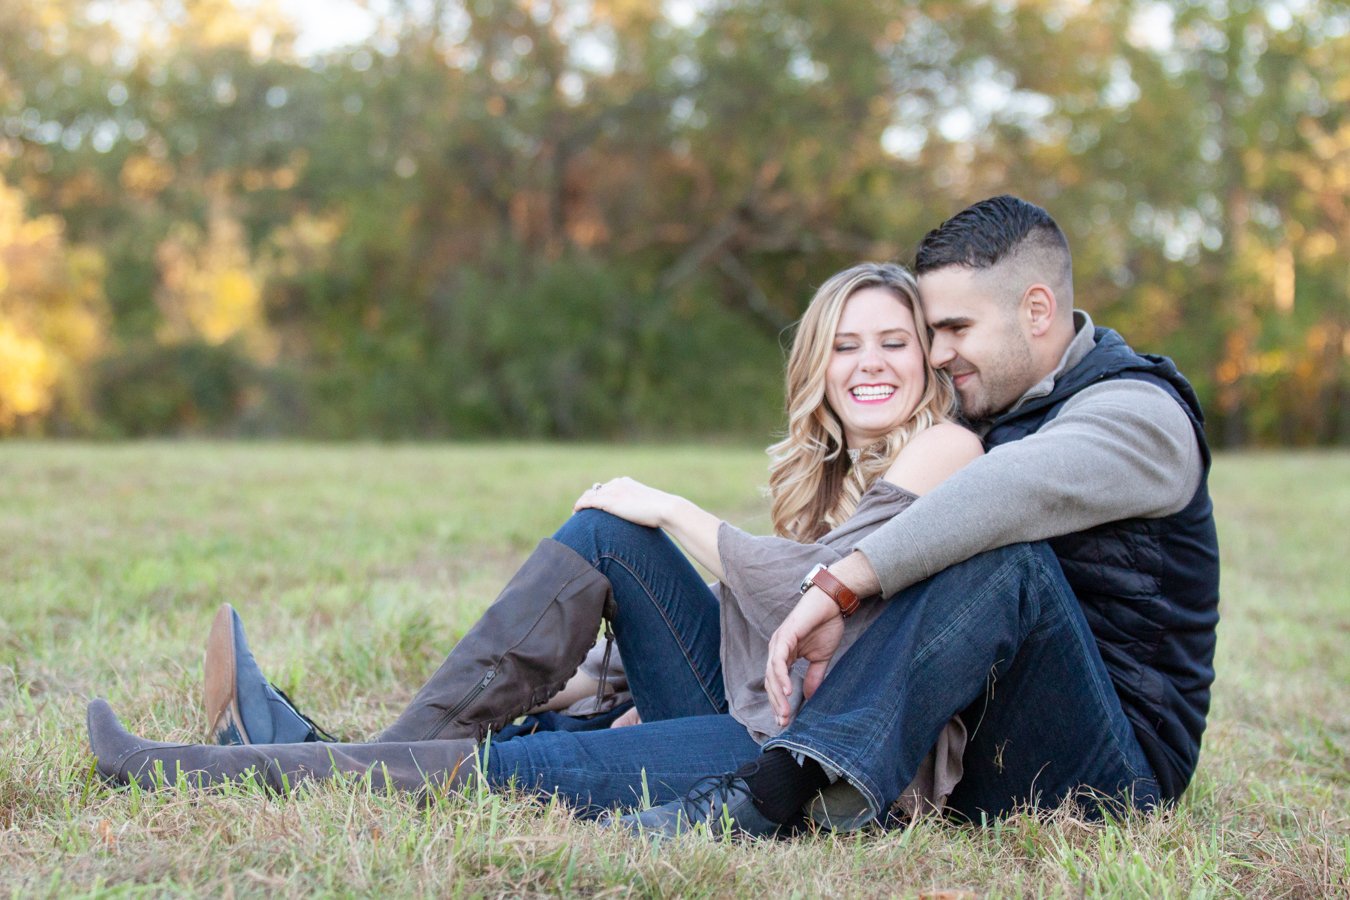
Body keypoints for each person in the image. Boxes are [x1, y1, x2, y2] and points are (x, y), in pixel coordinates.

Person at [86, 262, 986, 827]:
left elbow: (809, 588)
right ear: (817, 366)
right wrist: (624, 684)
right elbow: (758, 637)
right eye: (847, 345)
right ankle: (369, 752)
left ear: (925, 359)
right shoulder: (828, 472)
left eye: (894, 343)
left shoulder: (950, 449)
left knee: (515, 772)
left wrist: (672, 505)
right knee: (605, 530)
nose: (870, 363)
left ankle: (181, 771)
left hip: (809, 760)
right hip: (750, 716)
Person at [621, 194, 1219, 837]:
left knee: (1001, 556)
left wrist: (843, 583)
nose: (937, 354)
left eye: (956, 329)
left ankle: (772, 796)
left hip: (1114, 772)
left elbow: (1007, 490)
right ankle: (806, 776)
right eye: (933, 333)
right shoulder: (1000, 411)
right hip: (986, 755)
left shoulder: (1140, 415)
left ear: (1037, 310)